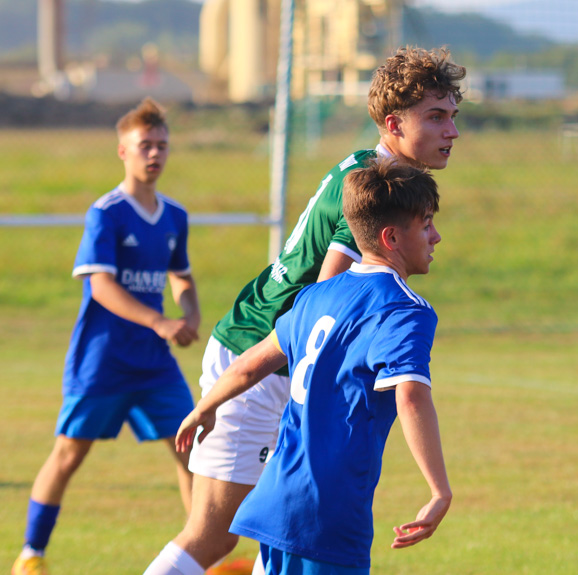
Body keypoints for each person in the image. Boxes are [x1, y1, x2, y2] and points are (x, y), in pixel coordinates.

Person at [144, 46, 465, 575]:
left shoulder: (376, 176)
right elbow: (329, 292)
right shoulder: (368, 187)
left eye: (453, 116)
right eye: (435, 116)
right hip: (261, 352)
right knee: (213, 535)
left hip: (287, 354)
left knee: (282, 528)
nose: (451, 131)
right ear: (392, 123)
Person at [173, 159, 450, 575]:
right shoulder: (403, 310)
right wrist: (439, 489)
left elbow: (250, 365)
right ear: (391, 237)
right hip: (327, 512)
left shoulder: (314, 298)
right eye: (426, 224)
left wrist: (205, 405)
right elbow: (409, 395)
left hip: (275, 498)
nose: (436, 235)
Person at [12, 97, 201, 575]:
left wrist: (190, 312)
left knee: (190, 448)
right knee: (69, 452)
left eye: (162, 145)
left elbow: (181, 275)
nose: (154, 154)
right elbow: (100, 286)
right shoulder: (107, 213)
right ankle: (31, 554)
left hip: (154, 363)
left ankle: (201, 555)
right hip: (102, 359)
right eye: (145, 146)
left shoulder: (175, 215)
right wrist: (160, 321)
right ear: (123, 151)